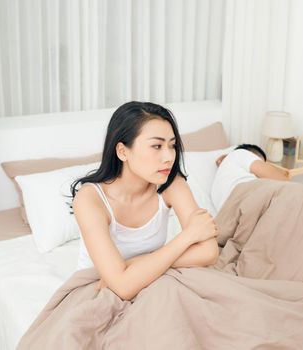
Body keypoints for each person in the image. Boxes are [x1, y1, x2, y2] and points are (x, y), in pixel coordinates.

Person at [71, 101, 219, 301]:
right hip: (99, 289)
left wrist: (133, 264)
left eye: (172, 145)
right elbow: (122, 287)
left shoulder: (171, 183)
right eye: (156, 146)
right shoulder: (90, 199)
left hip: (153, 279)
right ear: (123, 151)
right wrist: (188, 236)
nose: (168, 157)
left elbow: (209, 252)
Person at [211, 144, 289, 212]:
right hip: (247, 202)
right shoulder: (240, 153)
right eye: (262, 163)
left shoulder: (215, 190)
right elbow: (284, 181)